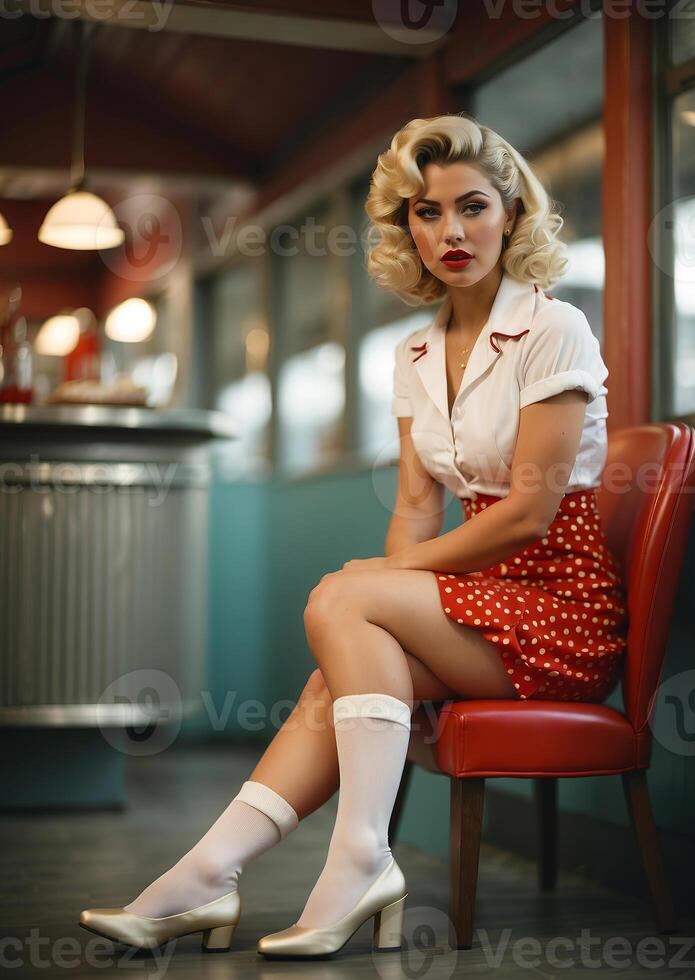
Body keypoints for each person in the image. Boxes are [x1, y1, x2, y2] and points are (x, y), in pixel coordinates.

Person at [79, 113, 627, 958]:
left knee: (346, 598)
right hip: (477, 599)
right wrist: (387, 579)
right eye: (425, 212)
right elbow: (415, 506)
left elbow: (528, 512)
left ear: (511, 213)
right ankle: (207, 876)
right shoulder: (414, 353)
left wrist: (385, 579)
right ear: (405, 227)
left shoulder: (553, 328)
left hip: (559, 610)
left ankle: (350, 860)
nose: (449, 231)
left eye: (472, 207)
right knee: (338, 662)